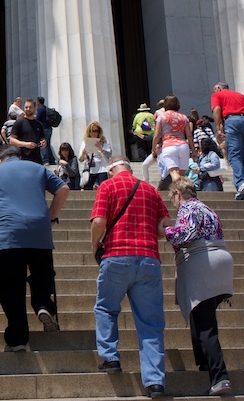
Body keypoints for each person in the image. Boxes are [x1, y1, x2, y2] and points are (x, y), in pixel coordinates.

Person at [90, 156, 170, 399]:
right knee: (151, 323)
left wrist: (95, 245)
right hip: (148, 258)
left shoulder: (107, 186)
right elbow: (164, 227)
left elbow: (100, 221)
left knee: (105, 308)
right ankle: (155, 382)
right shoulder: (151, 190)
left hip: (116, 255)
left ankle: (110, 357)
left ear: (112, 169)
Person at [0, 145, 69, 352]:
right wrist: (51, 216)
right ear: (19, 157)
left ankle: (18, 339)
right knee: (42, 275)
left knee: (10, 286)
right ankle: (43, 305)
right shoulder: (37, 168)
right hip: (39, 232)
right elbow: (63, 189)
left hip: (8, 234)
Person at [165, 178, 234, 396]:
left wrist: (165, 230)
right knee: (201, 317)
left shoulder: (188, 208)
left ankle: (220, 377)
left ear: (178, 193)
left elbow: (187, 233)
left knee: (206, 325)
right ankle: (204, 362)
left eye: (172, 199)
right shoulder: (207, 208)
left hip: (202, 264)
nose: (174, 204)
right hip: (220, 261)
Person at [211, 82, 244, 199]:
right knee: (243, 154)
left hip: (232, 120)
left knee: (234, 155)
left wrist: (218, 129)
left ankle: (241, 183)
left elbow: (216, 109)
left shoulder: (217, 95)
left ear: (218, 88)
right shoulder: (240, 95)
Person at [152, 94, 194, 183]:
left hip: (169, 145)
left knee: (174, 172)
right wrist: (193, 150)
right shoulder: (183, 117)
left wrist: (153, 150)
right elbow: (189, 135)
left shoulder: (162, 117)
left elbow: (157, 135)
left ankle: (180, 193)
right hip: (183, 145)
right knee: (182, 174)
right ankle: (185, 192)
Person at [9, 99, 46, 164]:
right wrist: (25, 144)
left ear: (34, 108)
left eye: (30, 107)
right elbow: (12, 140)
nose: (28, 109)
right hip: (22, 158)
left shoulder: (39, 124)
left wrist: (43, 143)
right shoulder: (19, 122)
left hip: (37, 159)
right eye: (26, 107)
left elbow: (42, 139)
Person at [79, 121, 112, 190]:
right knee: (88, 189)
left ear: (99, 131)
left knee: (104, 189)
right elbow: (80, 160)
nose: (93, 133)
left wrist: (101, 149)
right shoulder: (85, 142)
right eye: (91, 131)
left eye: (95, 131)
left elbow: (109, 154)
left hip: (102, 168)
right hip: (90, 170)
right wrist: (83, 154)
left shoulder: (104, 141)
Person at [35, 96, 56, 165]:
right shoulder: (45, 108)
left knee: (43, 145)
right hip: (49, 128)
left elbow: (37, 119)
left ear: (38, 102)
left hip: (44, 129)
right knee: (48, 145)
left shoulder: (40, 109)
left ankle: (45, 160)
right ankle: (52, 160)